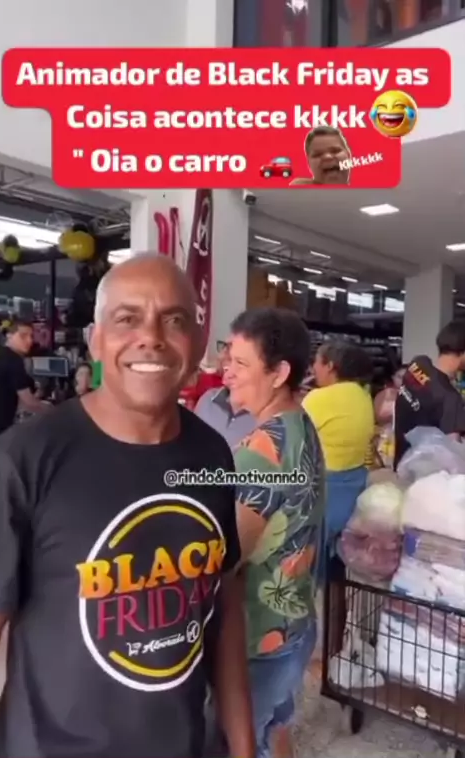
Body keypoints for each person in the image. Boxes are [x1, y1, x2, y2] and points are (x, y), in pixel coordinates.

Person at [0, 254, 255, 758]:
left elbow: (224, 605)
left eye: (174, 320)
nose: (150, 337)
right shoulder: (20, 461)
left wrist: (244, 748)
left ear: (199, 344)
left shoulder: (212, 454)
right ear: (96, 340)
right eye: (127, 318)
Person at [224, 307, 324, 758]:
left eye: (240, 363)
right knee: (274, 729)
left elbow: (228, 556)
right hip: (295, 622)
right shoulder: (300, 425)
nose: (227, 373)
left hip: (259, 639)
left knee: (242, 740)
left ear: (279, 373)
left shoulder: (259, 451)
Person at [303, 341, 374, 543]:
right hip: (355, 486)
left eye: (317, 362)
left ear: (330, 366)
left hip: (324, 489)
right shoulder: (363, 395)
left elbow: (292, 439)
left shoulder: (319, 398)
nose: (313, 368)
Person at [394, 320, 465, 469]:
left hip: (402, 462)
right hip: (426, 473)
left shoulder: (418, 364)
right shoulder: (450, 397)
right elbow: (454, 453)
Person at [0, 318, 48, 442]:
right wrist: (54, 411)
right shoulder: (13, 360)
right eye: (23, 336)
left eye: (31, 336)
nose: (29, 340)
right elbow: (29, 402)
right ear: (9, 336)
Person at [195, 340, 256, 448]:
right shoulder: (208, 400)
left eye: (239, 361)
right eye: (225, 347)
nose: (222, 356)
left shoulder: (269, 420)